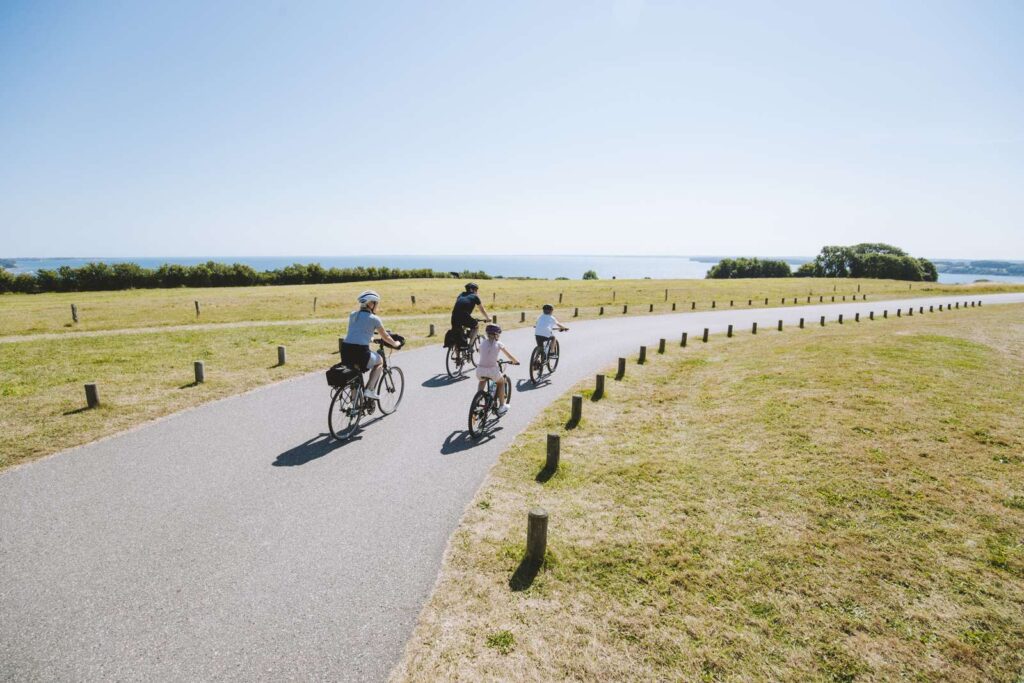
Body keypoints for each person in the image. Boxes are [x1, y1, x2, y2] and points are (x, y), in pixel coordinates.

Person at [341, 290, 401, 400]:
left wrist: (370, 338)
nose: (376, 306)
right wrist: (396, 343)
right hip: (360, 352)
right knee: (379, 362)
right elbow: (385, 337)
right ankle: (370, 390)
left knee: (355, 373)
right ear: (371, 304)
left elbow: (357, 332)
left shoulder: (353, 315)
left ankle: (354, 404)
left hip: (345, 350)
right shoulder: (374, 319)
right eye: (376, 303)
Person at [476, 323, 519, 415]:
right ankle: (502, 406)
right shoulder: (499, 344)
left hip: (480, 370)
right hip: (492, 371)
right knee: (501, 382)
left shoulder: (483, 342)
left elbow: (482, 353)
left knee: (482, 380)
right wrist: (515, 361)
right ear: (496, 334)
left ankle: (478, 399)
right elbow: (509, 355)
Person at [450, 282, 490, 347]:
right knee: (476, 326)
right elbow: (482, 310)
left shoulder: (461, 295)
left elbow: (460, 306)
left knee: (457, 335)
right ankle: (470, 346)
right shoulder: (475, 296)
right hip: (464, 316)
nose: (476, 292)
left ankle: (457, 356)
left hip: (454, 316)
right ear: (471, 289)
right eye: (476, 290)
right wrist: (488, 318)